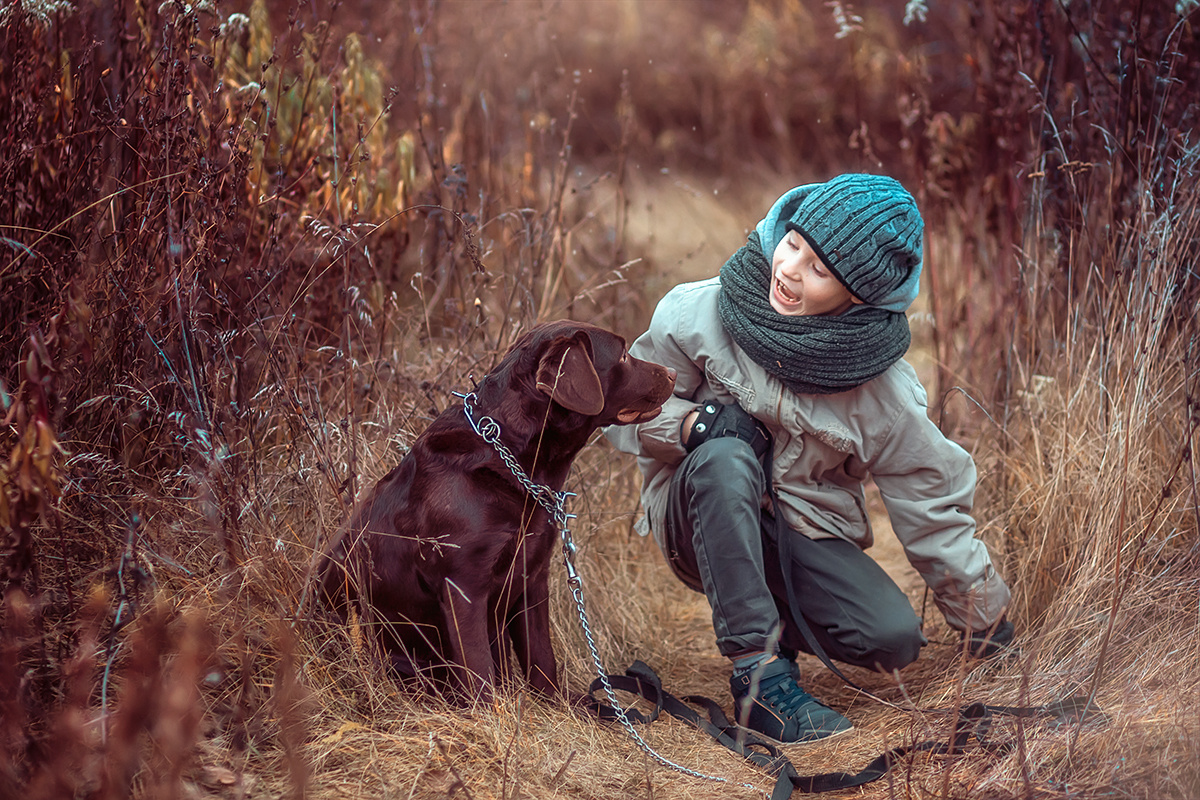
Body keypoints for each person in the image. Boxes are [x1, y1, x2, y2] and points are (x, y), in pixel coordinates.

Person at [603, 174, 1014, 745]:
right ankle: (760, 680)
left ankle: (777, 630)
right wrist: (695, 424)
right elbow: (627, 410)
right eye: (794, 243)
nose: (791, 269)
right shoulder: (697, 313)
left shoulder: (882, 391)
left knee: (893, 639)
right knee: (726, 455)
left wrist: (986, 626)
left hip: (799, 535)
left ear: (859, 298)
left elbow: (932, 501)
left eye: (821, 269)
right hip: (695, 520)